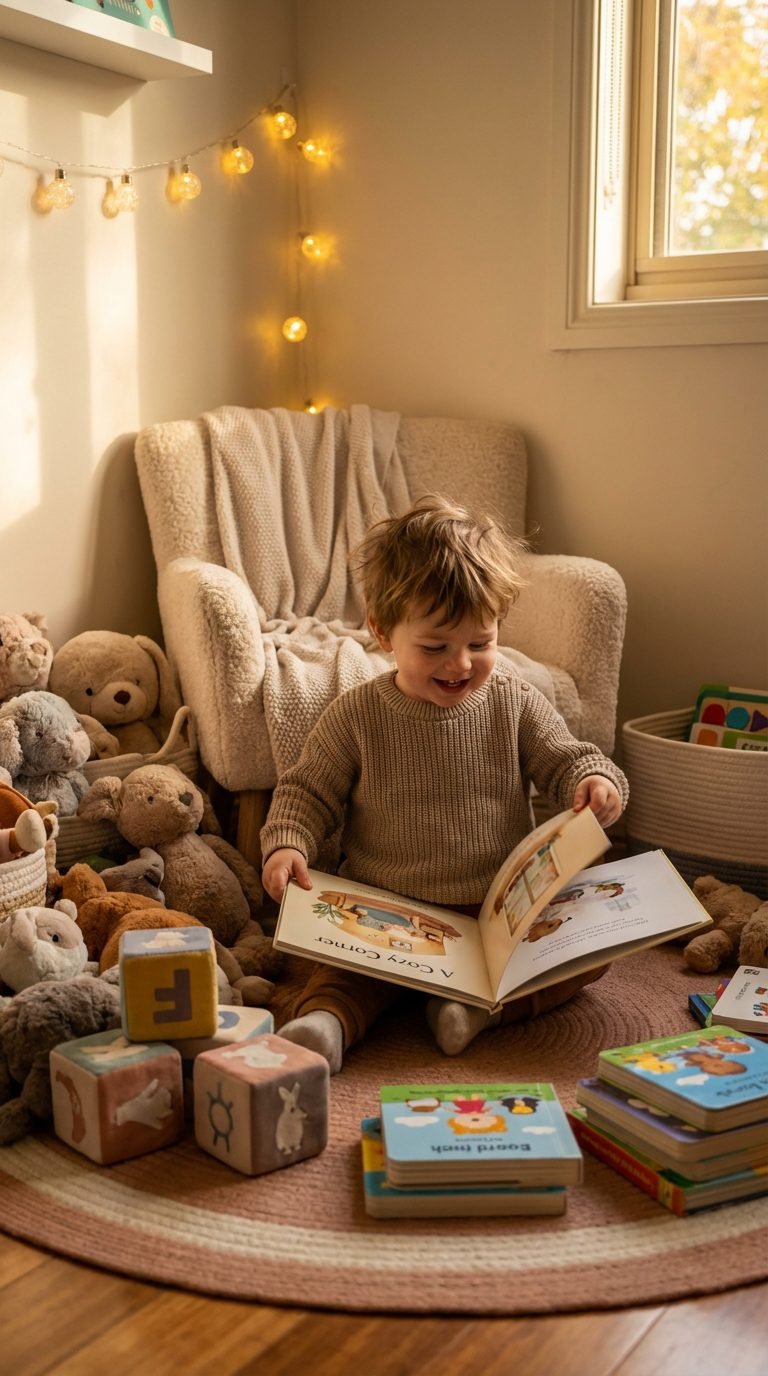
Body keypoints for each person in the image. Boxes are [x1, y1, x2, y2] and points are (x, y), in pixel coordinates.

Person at [261, 495, 627, 1072]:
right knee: (342, 972)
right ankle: (326, 1022)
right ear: (383, 633)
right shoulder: (357, 715)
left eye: (480, 644)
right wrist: (287, 843)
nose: (460, 664)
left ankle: (476, 1011)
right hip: (384, 915)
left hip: (494, 915)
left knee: (591, 952)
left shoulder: (513, 700)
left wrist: (594, 780)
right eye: (435, 647)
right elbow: (308, 792)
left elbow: (565, 758)